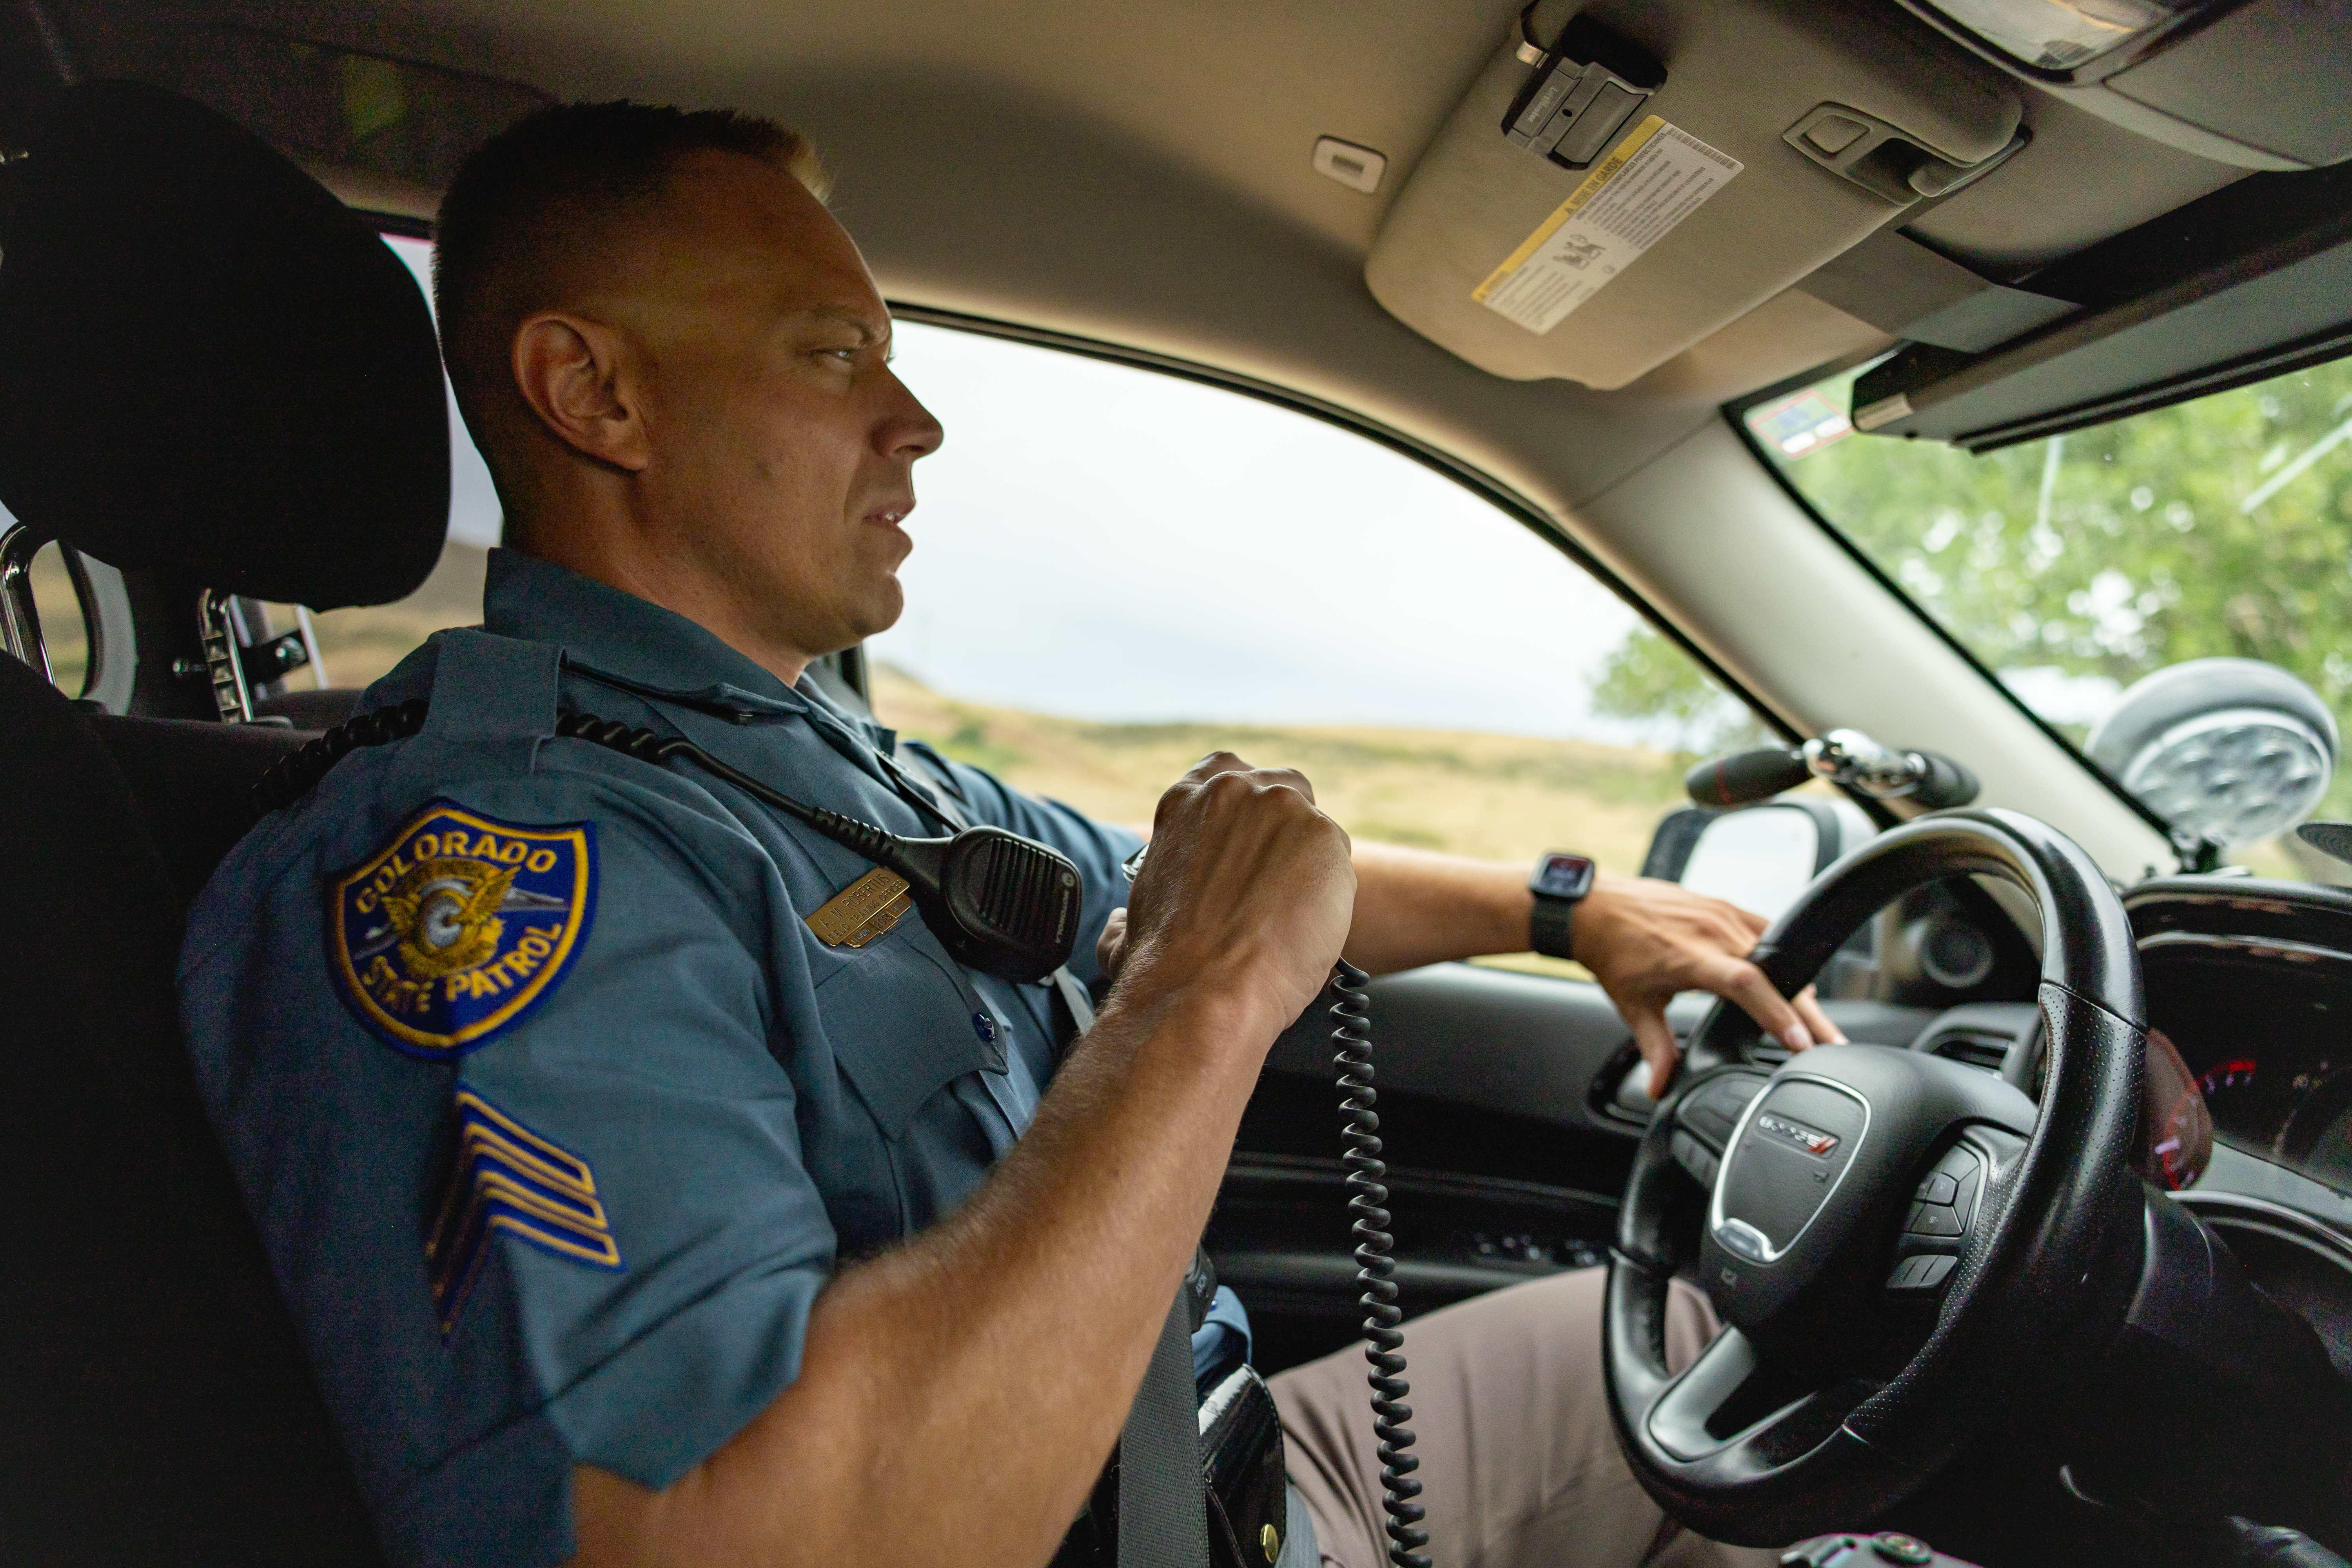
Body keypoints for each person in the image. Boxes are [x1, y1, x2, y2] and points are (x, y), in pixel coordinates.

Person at [178, 102, 1843, 1568]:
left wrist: (1564, 911)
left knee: (1713, 1362)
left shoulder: (812, 761)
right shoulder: (488, 857)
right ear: (595, 390)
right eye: (833, 355)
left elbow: (1175, 884)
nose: (915, 421)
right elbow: (741, 1541)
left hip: (1228, 1476)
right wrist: (1192, 1005)